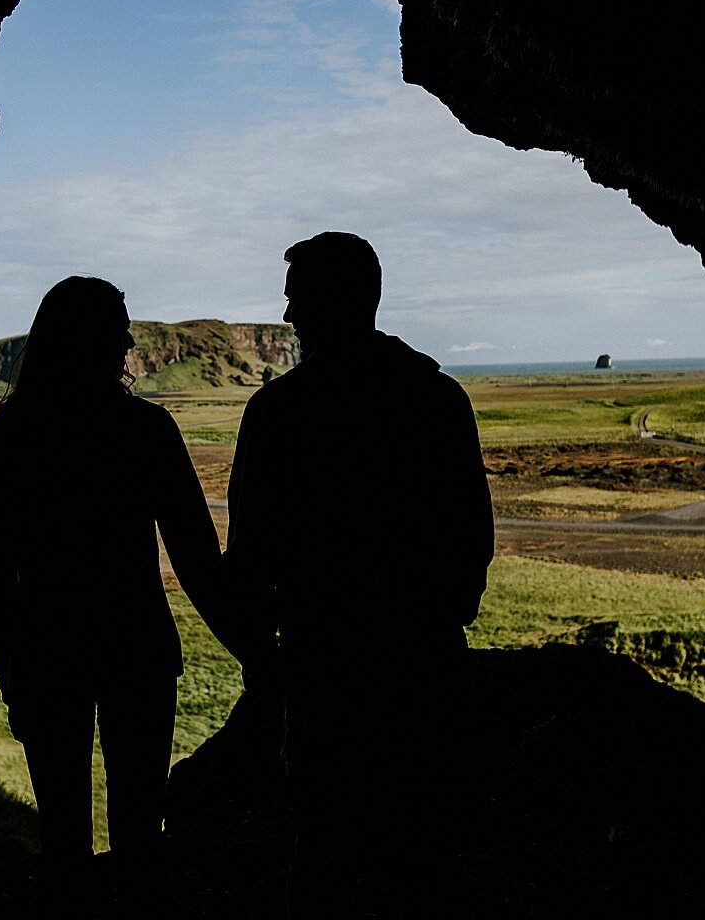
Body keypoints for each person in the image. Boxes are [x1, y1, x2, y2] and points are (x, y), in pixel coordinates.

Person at [224, 232, 495, 916]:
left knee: (325, 853)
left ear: (330, 302)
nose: (287, 317)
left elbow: (251, 554)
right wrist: (444, 615)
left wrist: (267, 660)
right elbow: (472, 533)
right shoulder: (438, 399)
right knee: (427, 851)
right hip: (426, 658)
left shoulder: (279, 412)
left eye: (296, 301)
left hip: (323, 665)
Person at [0, 275, 229, 903]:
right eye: (121, 326)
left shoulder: (10, 436)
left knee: (63, 842)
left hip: (45, 657)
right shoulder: (145, 428)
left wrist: (13, 679)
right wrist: (254, 646)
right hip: (135, 648)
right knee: (141, 835)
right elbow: (197, 559)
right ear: (108, 339)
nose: (127, 338)